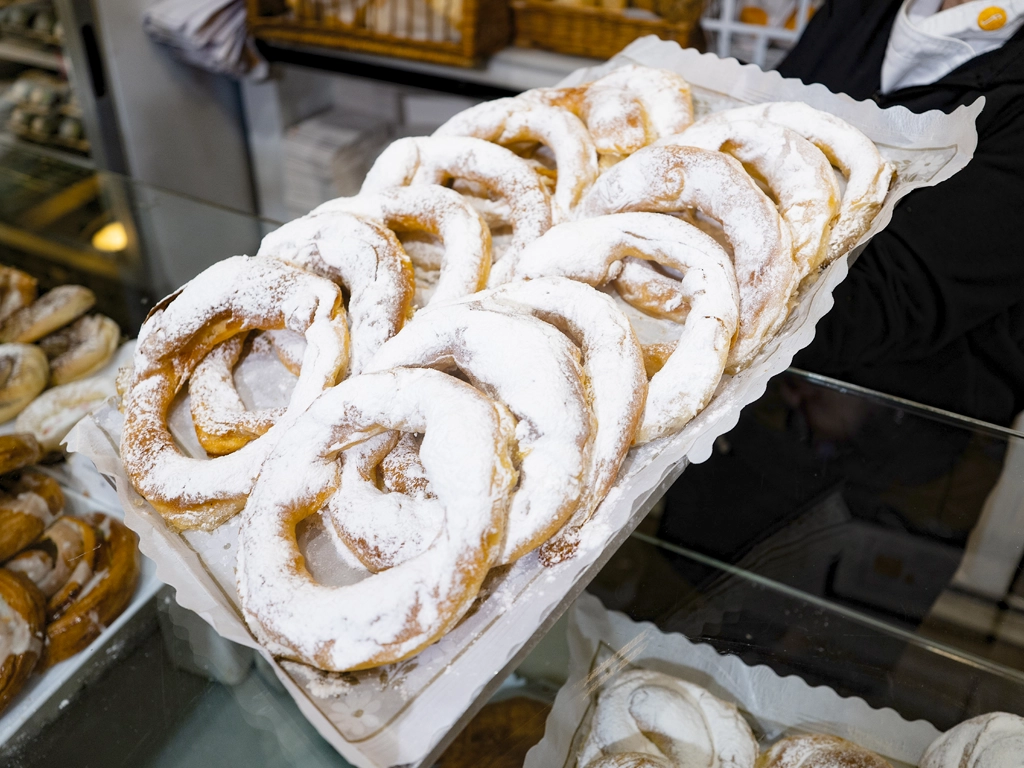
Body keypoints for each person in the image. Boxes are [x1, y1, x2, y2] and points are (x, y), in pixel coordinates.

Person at [777, 0, 1024, 427]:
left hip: (904, 434)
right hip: (769, 400)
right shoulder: (860, 13)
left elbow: (888, 300)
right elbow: (760, 143)